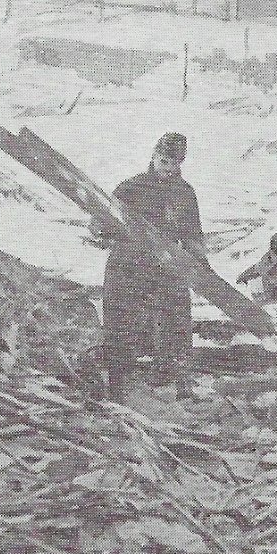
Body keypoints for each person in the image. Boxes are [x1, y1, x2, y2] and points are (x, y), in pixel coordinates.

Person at [94, 132, 207, 400]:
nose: (169, 169)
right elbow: (100, 220)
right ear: (154, 156)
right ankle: (118, 385)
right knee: (121, 323)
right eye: (164, 161)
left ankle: (177, 385)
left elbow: (192, 235)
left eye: (175, 163)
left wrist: (201, 269)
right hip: (127, 266)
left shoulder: (185, 194)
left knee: (176, 322)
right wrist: (103, 230)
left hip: (167, 269)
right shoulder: (131, 188)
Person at [236, 231, 277, 306]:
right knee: (257, 281)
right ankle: (257, 305)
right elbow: (254, 270)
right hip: (268, 295)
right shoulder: (267, 260)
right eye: (276, 250)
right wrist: (242, 278)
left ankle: (275, 308)